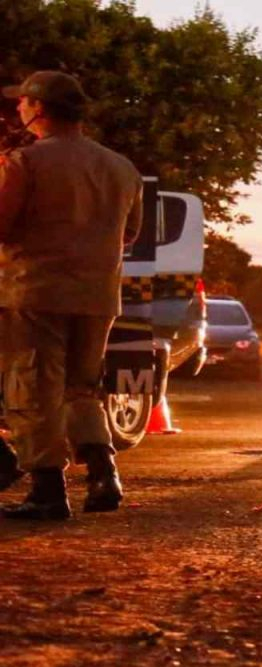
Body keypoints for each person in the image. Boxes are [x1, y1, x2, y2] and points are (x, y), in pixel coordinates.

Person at [0, 71, 142, 519]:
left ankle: (47, 491)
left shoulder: (25, 161)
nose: (17, 109)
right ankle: (103, 472)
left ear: (39, 109)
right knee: (81, 388)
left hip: (34, 291)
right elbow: (130, 234)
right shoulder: (121, 167)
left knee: (32, 389)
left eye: (21, 102)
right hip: (98, 295)